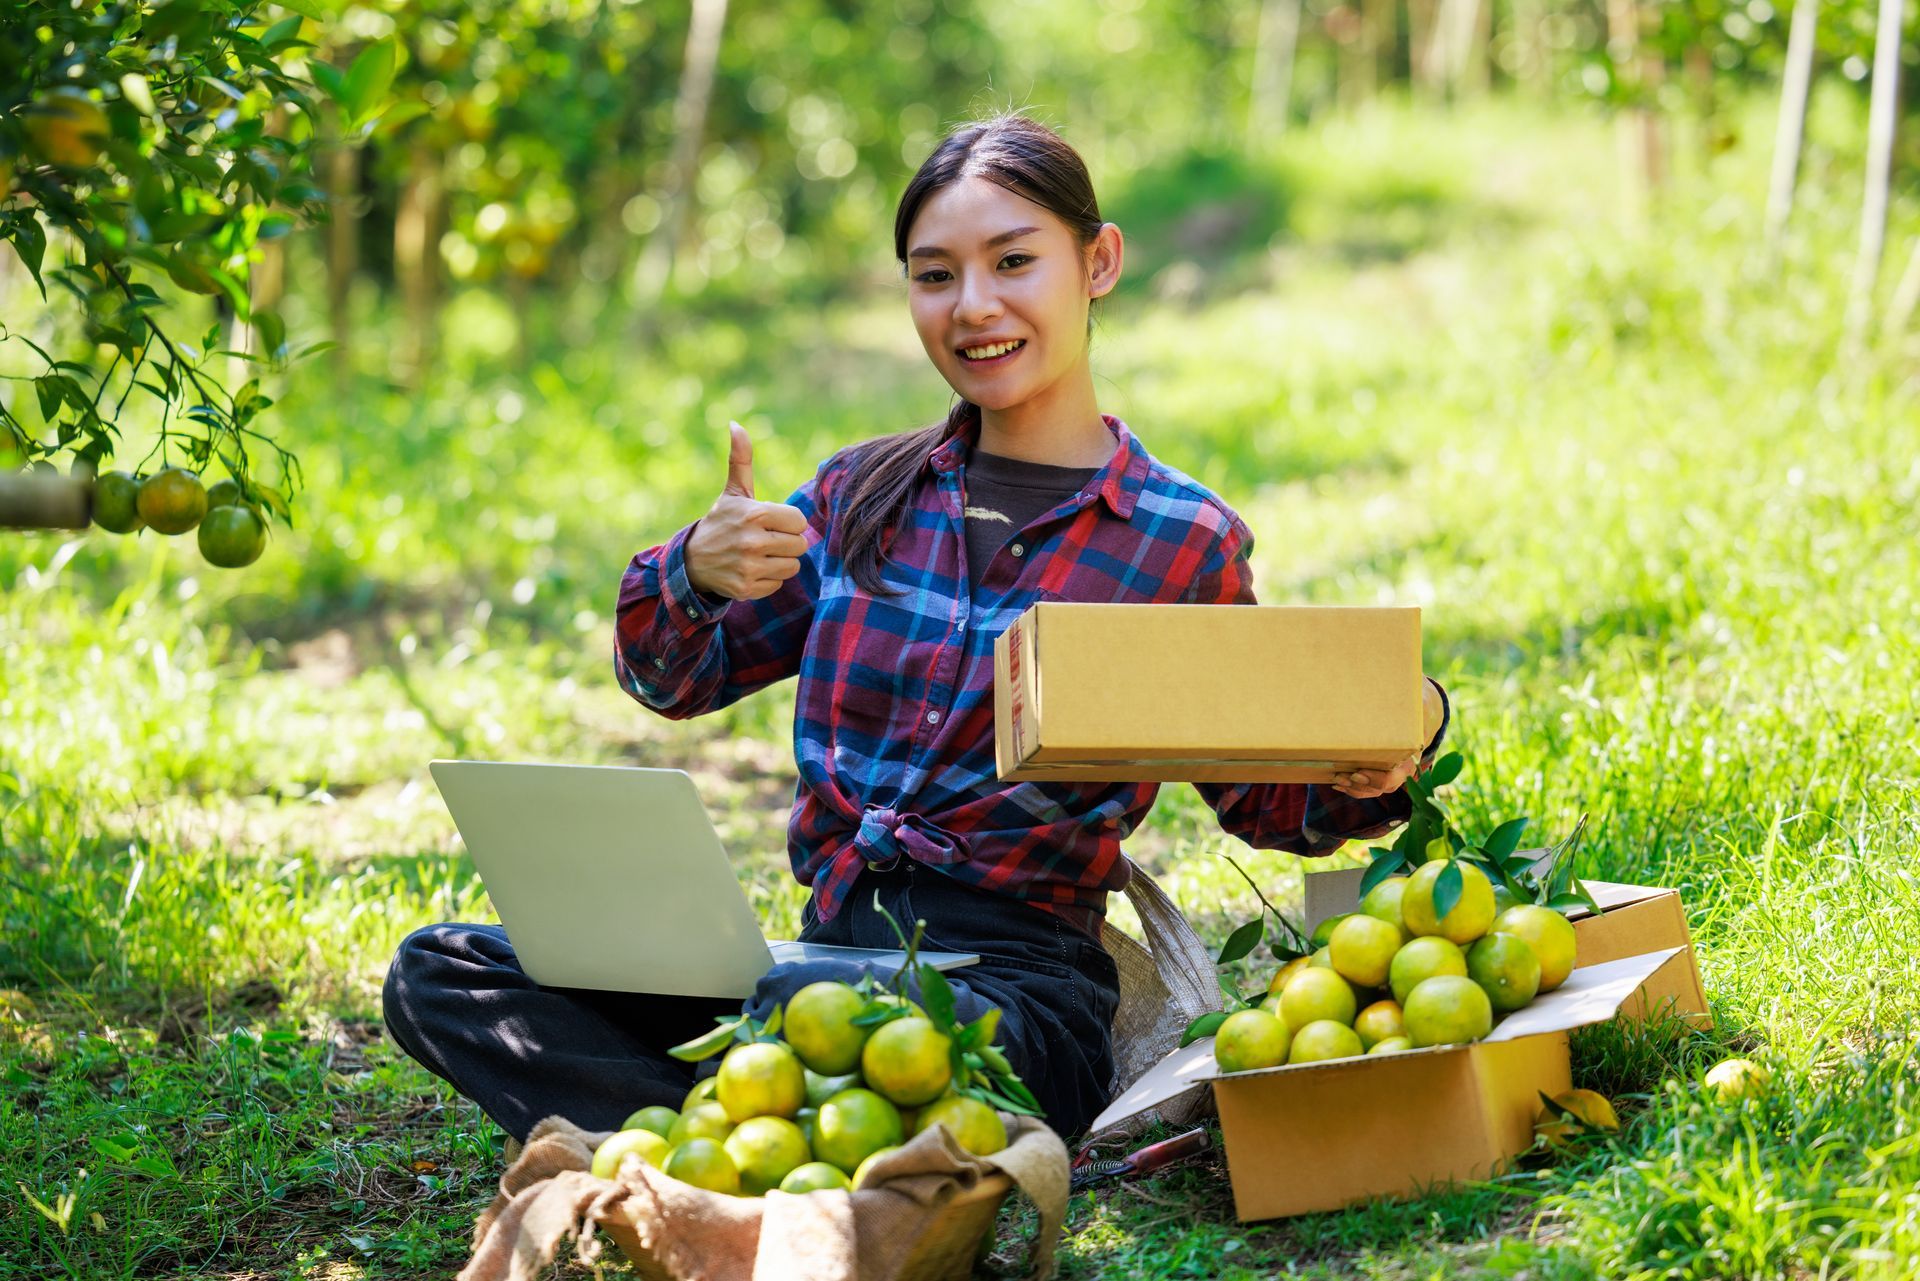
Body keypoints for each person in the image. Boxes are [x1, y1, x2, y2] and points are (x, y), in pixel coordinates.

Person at [382, 112, 1450, 1145]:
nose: (973, 306)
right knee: (444, 970)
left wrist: (1385, 742)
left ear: (1100, 263)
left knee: (842, 1033)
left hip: (1012, 1004)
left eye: (1013, 262)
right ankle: (757, 1152)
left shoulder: (1179, 540)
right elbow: (671, 679)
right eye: (935, 275)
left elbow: (1266, 800)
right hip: (814, 969)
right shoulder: (861, 496)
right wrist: (694, 576)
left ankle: (714, 1141)